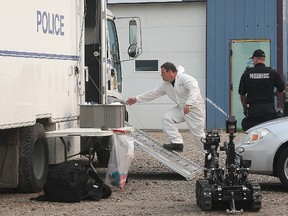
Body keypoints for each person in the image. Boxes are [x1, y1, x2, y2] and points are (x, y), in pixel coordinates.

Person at [126, 62, 206, 152]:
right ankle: (177, 143)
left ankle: (209, 156)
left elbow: (194, 89)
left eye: (163, 73)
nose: (161, 75)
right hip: (181, 108)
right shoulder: (166, 84)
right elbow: (154, 93)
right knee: (167, 118)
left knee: (198, 135)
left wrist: (189, 103)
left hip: (194, 109)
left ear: (170, 72)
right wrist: (137, 99)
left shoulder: (184, 78)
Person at [238, 49, 285, 131]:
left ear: (255, 59)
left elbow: (242, 95)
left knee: (245, 123)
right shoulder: (273, 73)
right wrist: (274, 94)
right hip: (269, 112)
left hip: (254, 112)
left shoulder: (246, 74)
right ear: (264, 59)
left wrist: (245, 107)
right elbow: (282, 89)